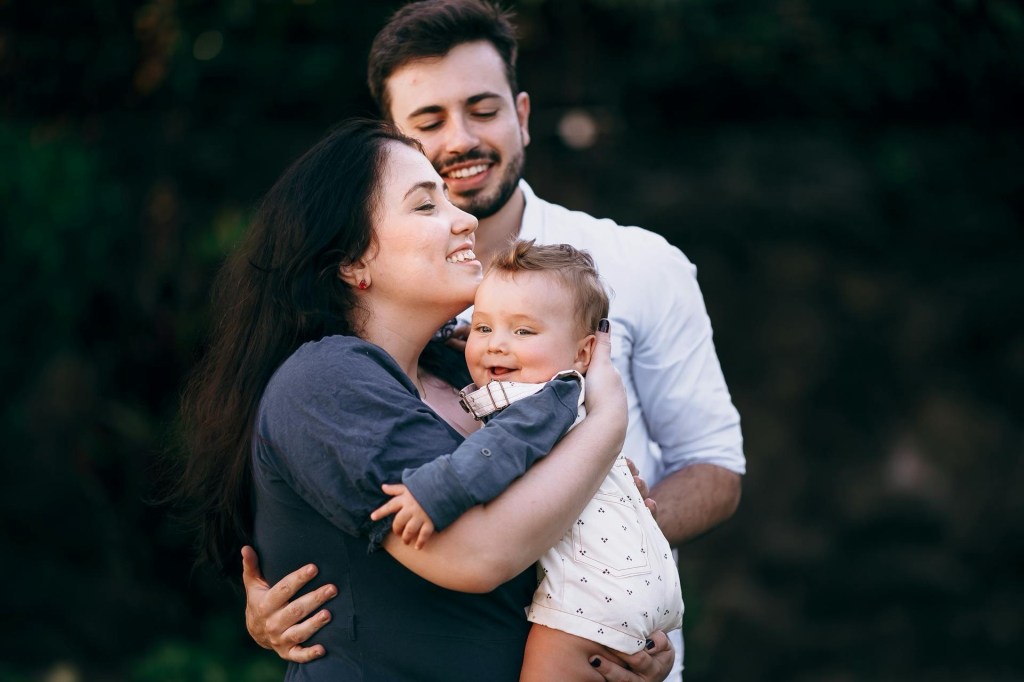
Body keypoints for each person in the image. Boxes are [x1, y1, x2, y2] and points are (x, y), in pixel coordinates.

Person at [242, 1, 746, 677]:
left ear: (523, 115)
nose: (460, 140)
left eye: (482, 109)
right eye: (428, 123)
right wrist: (284, 592)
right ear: (395, 141)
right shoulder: (353, 368)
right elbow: (374, 512)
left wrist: (611, 589)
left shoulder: (636, 266)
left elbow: (712, 464)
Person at [179, 118, 674, 680]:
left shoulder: (471, 377)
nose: (466, 219)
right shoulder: (324, 382)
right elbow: (478, 554)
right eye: (424, 205)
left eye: (449, 199)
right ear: (352, 261)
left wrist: (624, 633)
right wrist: (607, 420)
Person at [371, 239, 684, 679]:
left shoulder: (547, 398)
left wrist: (436, 492)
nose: (497, 345)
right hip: (629, 579)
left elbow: (503, 447)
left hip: (595, 587)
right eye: (483, 328)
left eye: (523, 332)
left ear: (582, 353)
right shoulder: (563, 402)